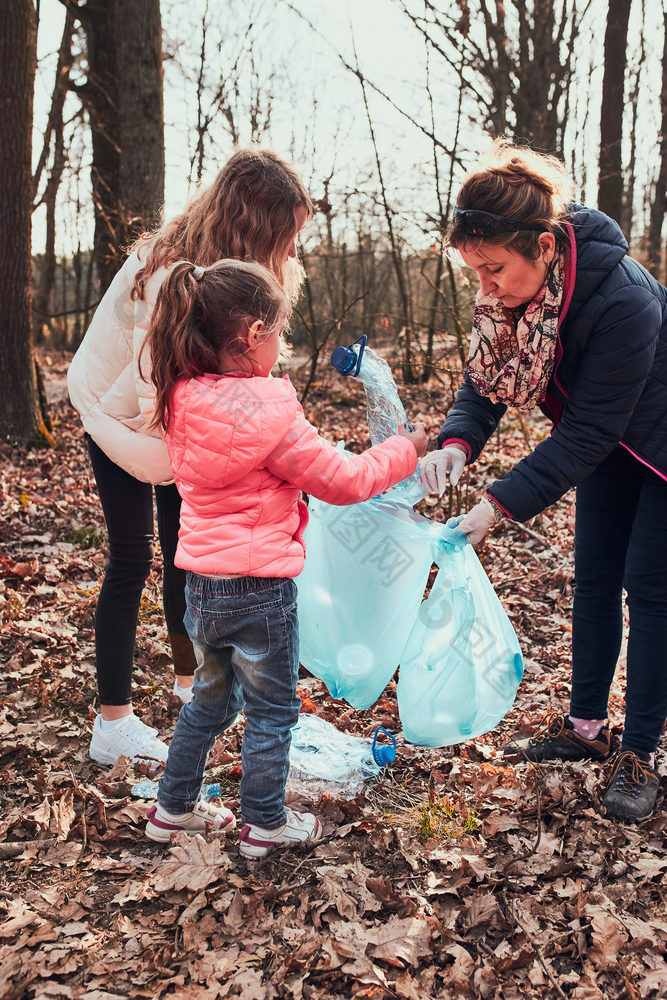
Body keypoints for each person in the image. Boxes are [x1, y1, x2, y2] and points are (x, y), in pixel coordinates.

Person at [140, 257, 426, 857]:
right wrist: (405, 449)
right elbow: (344, 480)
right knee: (272, 711)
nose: (283, 347)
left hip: (201, 582)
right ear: (252, 335)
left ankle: (171, 809)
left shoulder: (182, 397)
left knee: (208, 703)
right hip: (260, 591)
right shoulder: (266, 410)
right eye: (280, 333)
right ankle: (264, 823)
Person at [421, 140, 667, 823]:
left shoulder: (622, 299)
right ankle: (584, 730)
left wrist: (494, 506)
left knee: (648, 589)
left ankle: (641, 753)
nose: (486, 286)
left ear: (543, 246)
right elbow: (486, 381)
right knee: (592, 577)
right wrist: (456, 444)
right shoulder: (510, 290)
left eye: (494, 269)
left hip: (658, 437)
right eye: (474, 271)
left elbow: (584, 432)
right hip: (611, 437)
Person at [67, 149, 312, 769]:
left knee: (188, 555)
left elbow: (242, 377)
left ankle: (190, 693)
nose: (290, 252)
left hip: (179, 425)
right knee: (131, 557)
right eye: (285, 235)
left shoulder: (238, 278)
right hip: (117, 416)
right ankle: (113, 724)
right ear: (255, 221)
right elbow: (156, 391)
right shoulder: (166, 272)